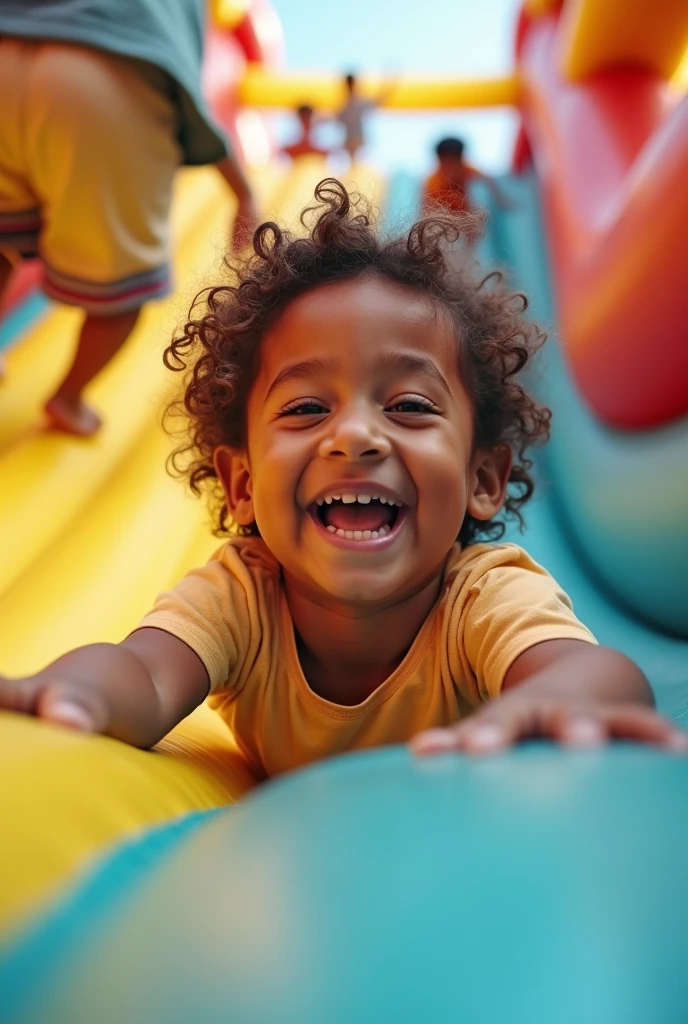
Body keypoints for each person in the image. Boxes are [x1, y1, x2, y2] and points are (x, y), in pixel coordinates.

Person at [0, 179, 684, 777]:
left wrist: (554, 702)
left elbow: (593, 672)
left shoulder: (482, 594)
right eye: (305, 408)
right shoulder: (242, 595)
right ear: (240, 484)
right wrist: (76, 691)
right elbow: (145, 675)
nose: (355, 435)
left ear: (483, 478)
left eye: (410, 406)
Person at [0, 0, 258, 437]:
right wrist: (245, 193)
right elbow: (188, 97)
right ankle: (68, 398)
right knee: (125, 287)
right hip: (105, 81)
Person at [423, 136, 510, 216]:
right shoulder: (433, 182)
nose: (452, 168)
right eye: (447, 164)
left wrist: (501, 199)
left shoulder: (465, 169)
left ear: (461, 159)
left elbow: (488, 179)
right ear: (440, 160)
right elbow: (426, 208)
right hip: (443, 217)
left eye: (455, 163)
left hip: (465, 213)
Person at [336, 72, 393, 164]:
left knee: (359, 166)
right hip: (351, 144)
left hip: (358, 144)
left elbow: (379, 100)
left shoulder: (357, 103)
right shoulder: (344, 105)